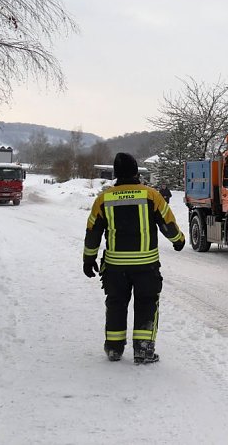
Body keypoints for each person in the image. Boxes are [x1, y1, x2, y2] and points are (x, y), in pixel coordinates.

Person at [83, 152, 185, 364]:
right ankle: (144, 350)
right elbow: (168, 223)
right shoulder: (151, 195)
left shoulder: (104, 198)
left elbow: (93, 231)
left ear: (116, 174)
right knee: (147, 304)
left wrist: (88, 258)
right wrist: (178, 240)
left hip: (115, 267)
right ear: (136, 172)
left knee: (116, 304)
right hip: (146, 266)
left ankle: (114, 348)